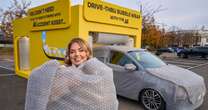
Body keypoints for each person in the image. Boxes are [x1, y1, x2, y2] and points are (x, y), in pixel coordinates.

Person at [25, 38, 118, 110]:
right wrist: (66, 84)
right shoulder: (63, 73)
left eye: (81, 50)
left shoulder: (95, 73)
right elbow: (50, 99)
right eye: (72, 52)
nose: (77, 54)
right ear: (69, 55)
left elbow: (105, 100)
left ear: (87, 52)